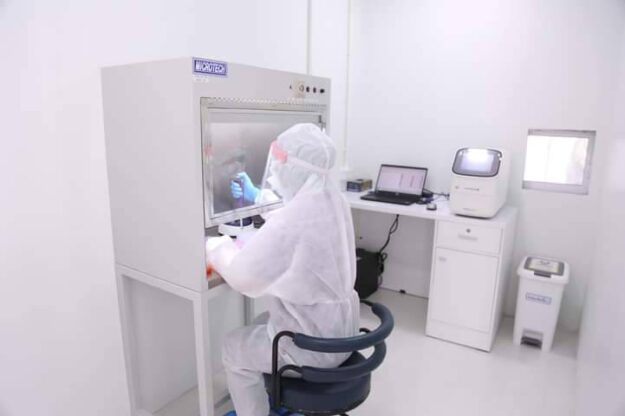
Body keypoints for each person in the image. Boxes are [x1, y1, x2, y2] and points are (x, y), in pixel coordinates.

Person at [205, 123, 359, 416]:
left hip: (314, 347)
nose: (275, 171)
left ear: (295, 168)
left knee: (233, 347)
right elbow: (295, 214)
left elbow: (243, 276)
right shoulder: (334, 200)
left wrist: (215, 246)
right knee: (260, 323)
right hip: (342, 332)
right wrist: (257, 197)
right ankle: (270, 399)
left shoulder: (293, 222)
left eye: (279, 164)